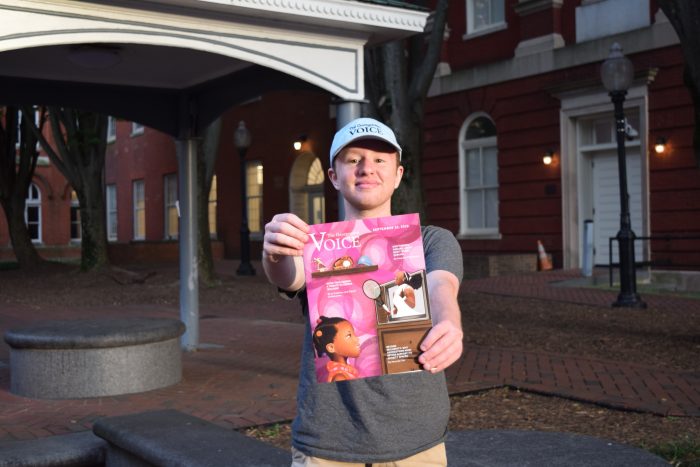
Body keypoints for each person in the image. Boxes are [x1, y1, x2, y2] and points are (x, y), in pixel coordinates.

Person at [262, 117, 463, 466]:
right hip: (327, 445)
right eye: (353, 159)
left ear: (398, 175)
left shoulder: (431, 239)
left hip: (417, 442)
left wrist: (450, 323)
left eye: (380, 160)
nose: (366, 168)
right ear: (334, 176)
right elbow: (287, 275)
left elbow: (441, 285)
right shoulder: (316, 245)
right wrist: (274, 251)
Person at [312, 316, 361, 383]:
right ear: (331, 348)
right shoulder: (340, 377)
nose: (357, 339)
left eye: (353, 334)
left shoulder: (346, 371)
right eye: (349, 336)